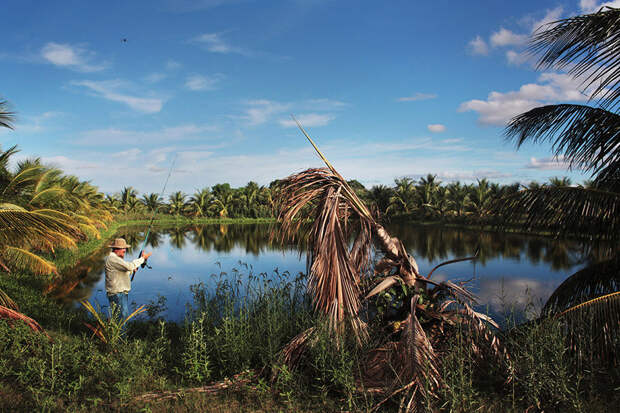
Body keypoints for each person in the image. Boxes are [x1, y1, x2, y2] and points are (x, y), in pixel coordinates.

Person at [104, 238, 152, 320]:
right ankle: (121, 332)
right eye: (123, 249)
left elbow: (122, 273)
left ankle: (119, 332)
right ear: (117, 249)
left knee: (121, 317)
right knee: (121, 318)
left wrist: (132, 271)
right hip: (117, 295)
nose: (125, 250)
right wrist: (143, 258)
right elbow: (129, 266)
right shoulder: (113, 259)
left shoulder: (116, 259)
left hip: (120, 294)